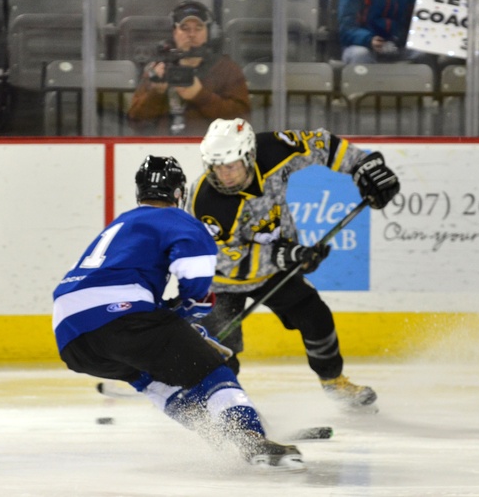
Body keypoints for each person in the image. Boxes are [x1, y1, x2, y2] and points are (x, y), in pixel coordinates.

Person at [53, 155, 304, 469]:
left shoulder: (122, 223)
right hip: (120, 315)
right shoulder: (176, 218)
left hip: (70, 335)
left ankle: (214, 431)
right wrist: (189, 306)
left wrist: (166, 315)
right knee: (213, 367)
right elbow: (196, 277)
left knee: (157, 382)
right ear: (178, 193)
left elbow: (111, 282)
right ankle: (249, 437)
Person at [189, 118, 400, 411]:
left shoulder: (274, 150)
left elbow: (321, 145)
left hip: (276, 267)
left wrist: (364, 166)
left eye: (231, 165)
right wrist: (285, 255)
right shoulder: (206, 202)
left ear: (250, 156)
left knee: (316, 317)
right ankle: (226, 410)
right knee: (219, 352)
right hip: (220, 282)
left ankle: (334, 382)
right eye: (216, 166)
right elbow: (222, 259)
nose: (223, 175)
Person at [127, 0, 249, 136]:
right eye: (184, 28)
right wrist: (156, 94)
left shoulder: (227, 69)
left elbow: (241, 124)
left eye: (198, 28)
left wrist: (200, 95)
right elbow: (136, 123)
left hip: (211, 151)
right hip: (163, 149)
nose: (191, 34)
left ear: (209, 33)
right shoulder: (158, 69)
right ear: (174, 32)